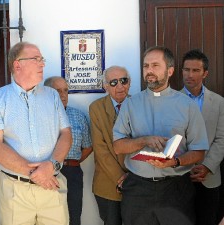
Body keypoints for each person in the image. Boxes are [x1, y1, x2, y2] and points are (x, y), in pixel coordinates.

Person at [113, 46, 209, 225]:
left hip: (176, 188)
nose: (149, 70)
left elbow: (199, 151)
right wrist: (143, 141)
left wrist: (175, 162)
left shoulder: (187, 105)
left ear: (170, 70)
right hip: (138, 189)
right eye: (145, 66)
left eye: (155, 65)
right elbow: (118, 146)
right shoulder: (130, 104)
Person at [0, 42, 72, 225]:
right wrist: (37, 173)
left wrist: (52, 165)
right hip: (15, 191)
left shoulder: (52, 96)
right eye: (36, 59)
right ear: (17, 65)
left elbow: (66, 134)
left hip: (52, 186)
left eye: (42, 59)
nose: (42, 64)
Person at [180, 49, 224, 225]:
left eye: (195, 70)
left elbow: (221, 139)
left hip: (209, 177)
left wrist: (206, 166)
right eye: (186, 69)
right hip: (180, 177)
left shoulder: (219, 102)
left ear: (205, 73)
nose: (189, 75)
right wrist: (186, 165)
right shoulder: (171, 101)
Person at [44, 76, 93, 225]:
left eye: (65, 90)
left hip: (72, 173)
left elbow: (88, 146)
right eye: (58, 91)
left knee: (73, 215)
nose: (63, 94)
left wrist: (70, 161)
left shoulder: (78, 116)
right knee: (47, 216)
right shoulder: (39, 116)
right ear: (47, 93)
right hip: (47, 173)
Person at [89, 66, 130, 225]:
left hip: (137, 181)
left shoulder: (139, 104)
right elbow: (101, 150)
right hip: (108, 182)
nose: (120, 86)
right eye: (113, 82)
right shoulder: (96, 108)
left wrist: (132, 177)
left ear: (129, 83)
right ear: (105, 86)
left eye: (123, 81)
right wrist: (122, 178)